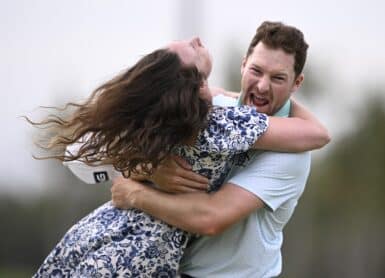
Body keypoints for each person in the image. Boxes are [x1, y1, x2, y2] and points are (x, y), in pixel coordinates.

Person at [32, 35, 328, 277]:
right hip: (138, 259)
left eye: (278, 77)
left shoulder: (178, 118)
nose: (196, 39)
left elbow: (210, 218)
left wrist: (134, 187)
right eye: (257, 71)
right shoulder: (222, 122)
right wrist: (146, 168)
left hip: (100, 238)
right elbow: (317, 132)